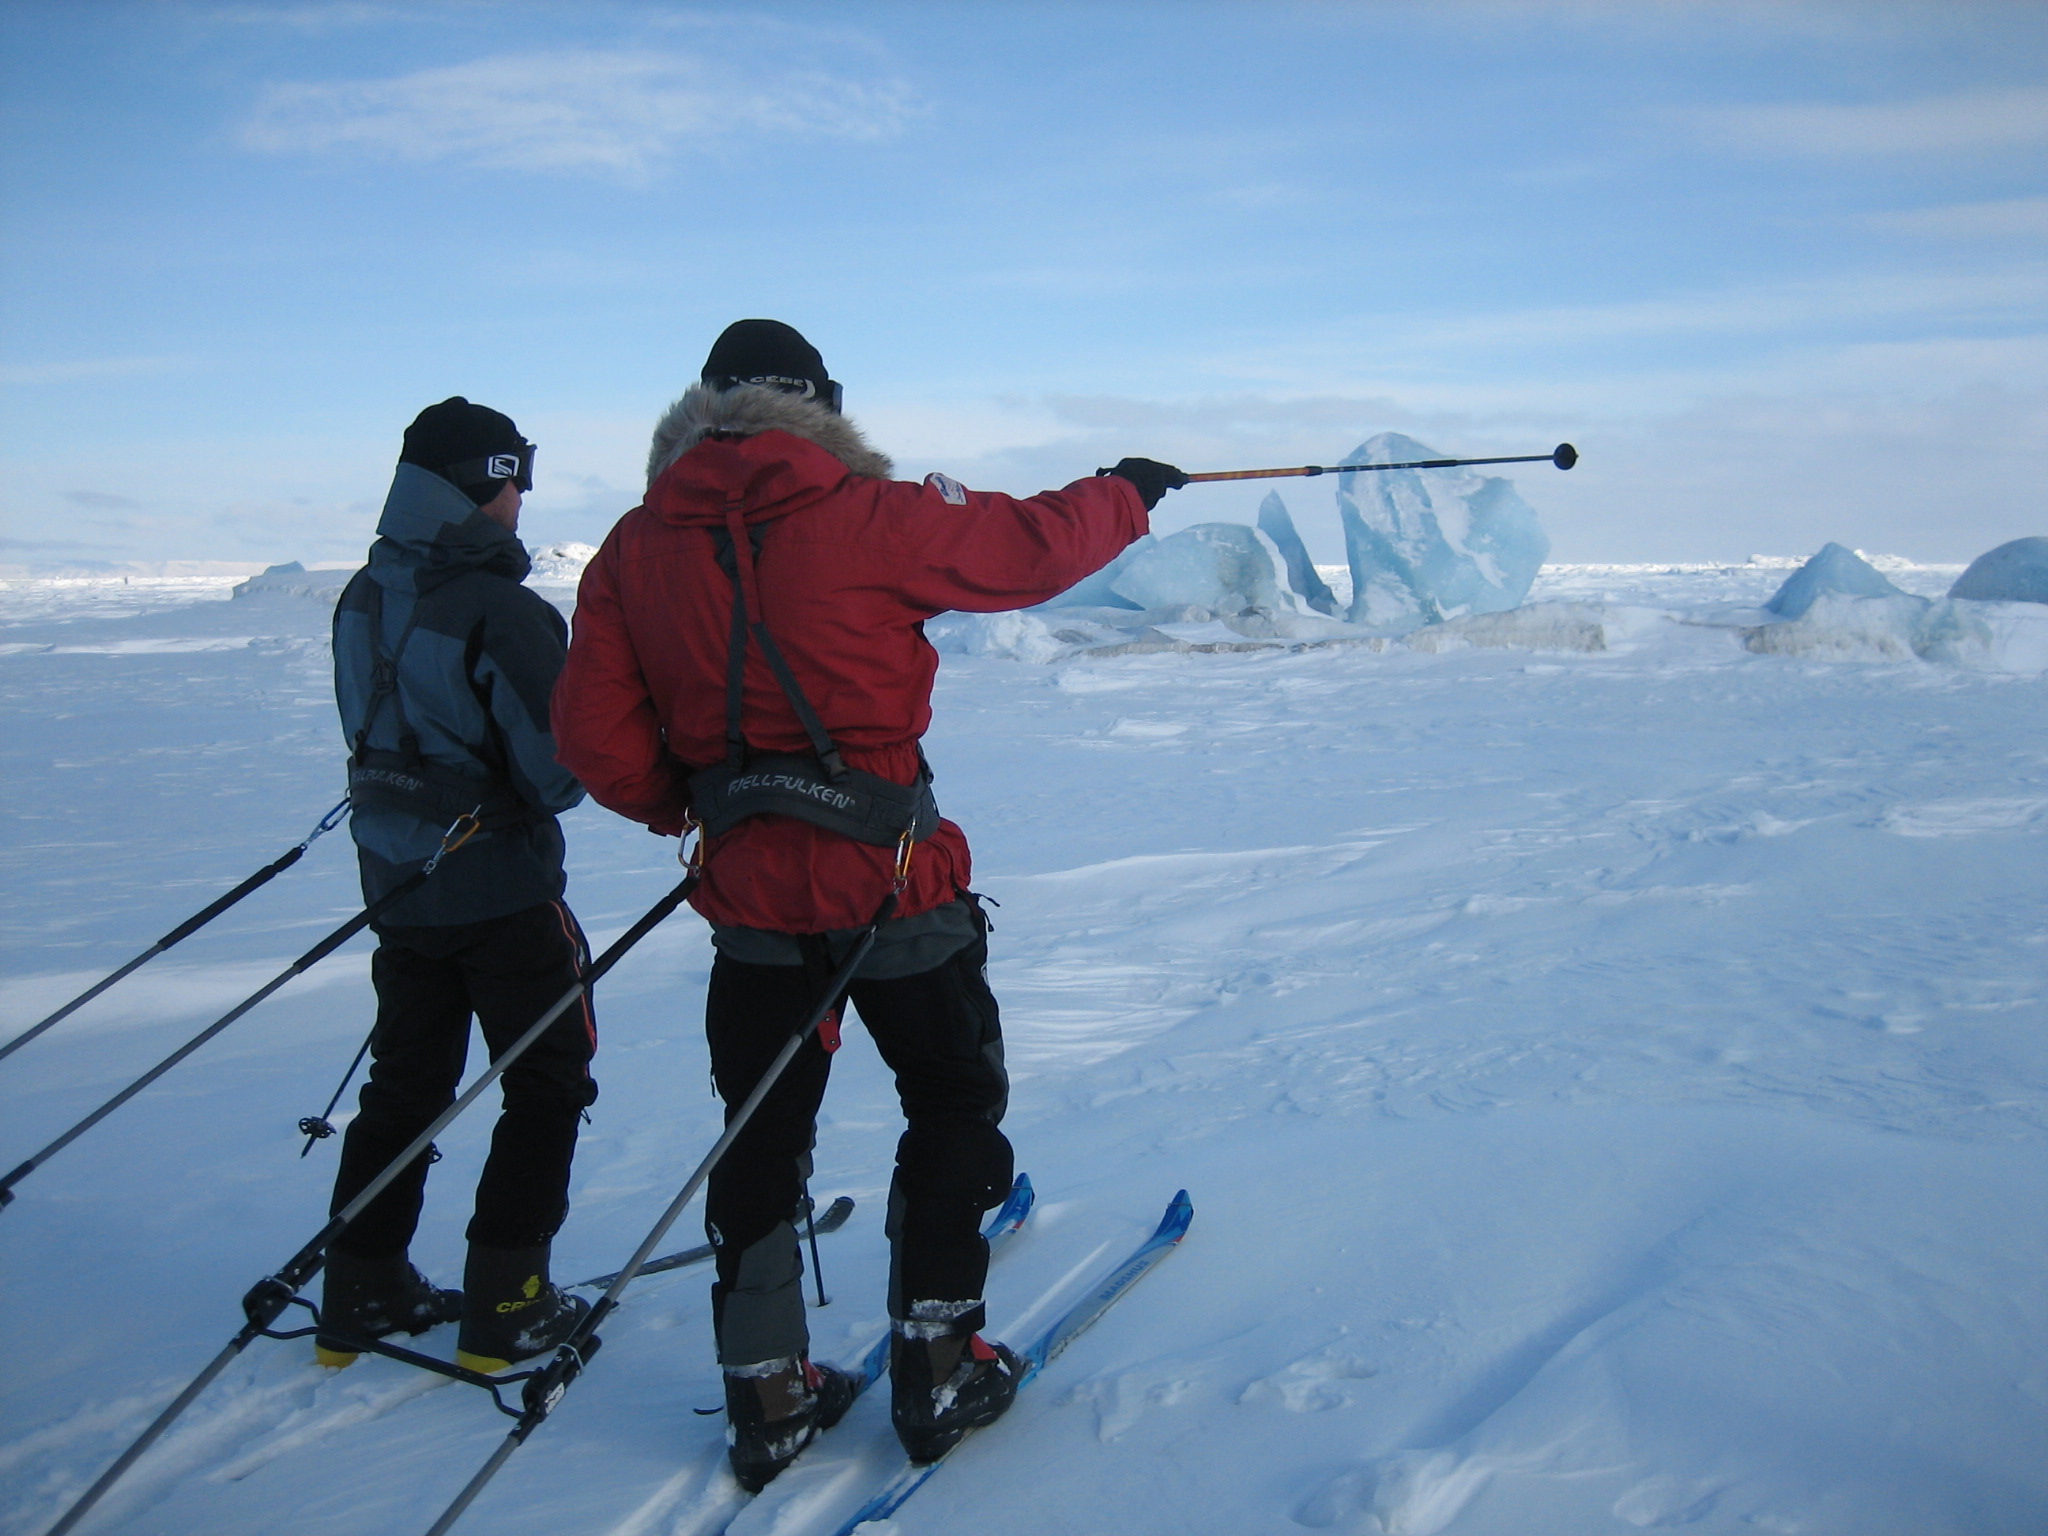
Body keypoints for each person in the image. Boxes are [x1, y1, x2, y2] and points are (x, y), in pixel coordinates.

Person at [552, 320, 1184, 1487]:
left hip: (747, 899)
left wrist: (705, 809)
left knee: (757, 1130)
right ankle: (937, 1361)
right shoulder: (865, 514)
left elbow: (592, 735)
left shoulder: (632, 548)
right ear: (818, 407)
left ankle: (768, 1390)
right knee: (951, 1097)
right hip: (891, 883)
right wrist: (1125, 492)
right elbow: (1025, 550)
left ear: (704, 409)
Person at [319, 398, 596, 1375]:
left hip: (397, 888)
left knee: (404, 1085)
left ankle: (359, 1283)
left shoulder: (364, 594)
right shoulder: (503, 610)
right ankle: (509, 1304)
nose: (522, 497)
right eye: (515, 478)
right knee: (547, 1080)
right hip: (504, 896)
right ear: (485, 485)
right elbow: (557, 772)